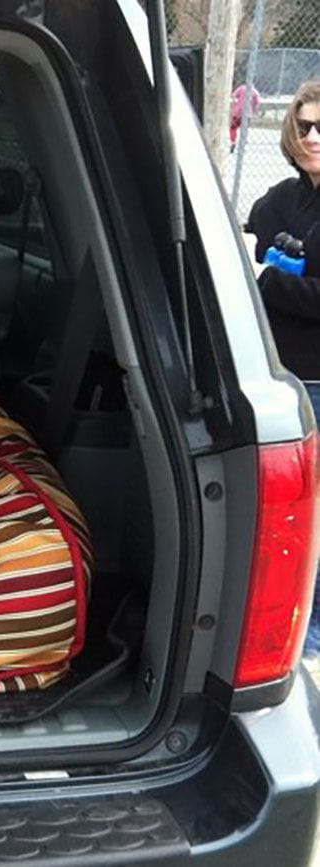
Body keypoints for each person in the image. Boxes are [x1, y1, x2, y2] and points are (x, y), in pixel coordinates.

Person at [246, 79, 320, 658]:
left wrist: (269, 280)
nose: (312, 137)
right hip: (281, 378)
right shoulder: (283, 197)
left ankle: (312, 646)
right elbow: (247, 235)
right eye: (304, 127)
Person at [230, 82, 262, 152]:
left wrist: (235, 103)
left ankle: (233, 142)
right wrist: (254, 112)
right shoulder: (255, 92)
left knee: (233, 127)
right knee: (244, 130)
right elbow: (257, 103)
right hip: (247, 114)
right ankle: (242, 146)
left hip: (237, 112)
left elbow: (233, 95)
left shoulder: (242, 88)